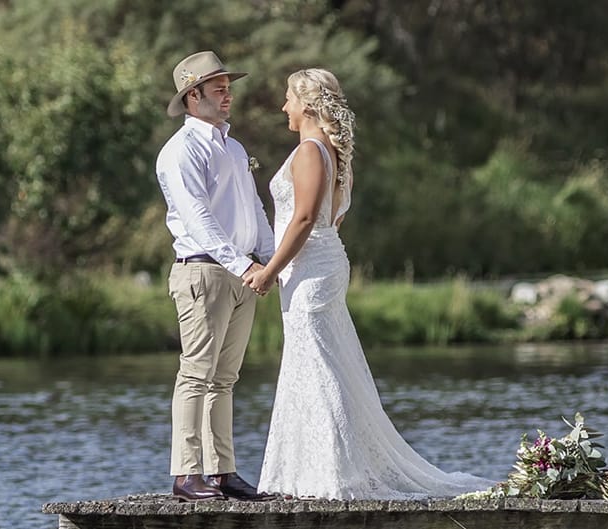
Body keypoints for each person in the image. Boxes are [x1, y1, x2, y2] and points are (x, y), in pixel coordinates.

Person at [245, 69, 495, 499]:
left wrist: (269, 271)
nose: (284, 107)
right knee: (321, 364)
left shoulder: (309, 151)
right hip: (319, 262)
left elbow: (304, 219)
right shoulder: (332, 153)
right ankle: (317, 471)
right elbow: (333, 218)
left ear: (307, 105)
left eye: (288, 98)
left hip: (311, 270)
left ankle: (333, 474)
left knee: (317, 367)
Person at [155, 51, 276, 502]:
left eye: (228, 88)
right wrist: (244, 265)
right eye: (219, 89)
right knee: (196, 374)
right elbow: (199, 218)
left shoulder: (234, 147)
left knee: (224, 379)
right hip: (203, 270)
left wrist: (270, 260)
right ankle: (186, 474)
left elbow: (254, 209)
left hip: (240, 271)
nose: (228, 96)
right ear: (193, 96)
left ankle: (222, 471)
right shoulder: (180, 151)